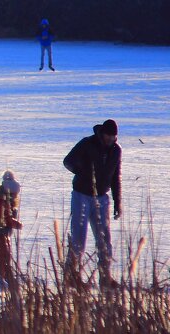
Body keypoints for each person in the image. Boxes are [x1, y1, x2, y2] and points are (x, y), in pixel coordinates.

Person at [63, 119, 122, 287]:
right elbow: (68, 161)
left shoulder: (116, 151)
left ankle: (105, 277)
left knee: (104, 240)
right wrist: (82, 172)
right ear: (102, 133)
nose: (111, 140)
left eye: (114, 137)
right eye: (108, 136)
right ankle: (70, 277)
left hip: (102, 199)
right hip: (81, 196)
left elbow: (116, 177)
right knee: (78, 239)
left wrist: (118, 202)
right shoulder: (87, 143)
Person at [0, 171, 23, 287]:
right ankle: (0, 277)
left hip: (0, 232)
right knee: (2, 255)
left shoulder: (6, 200)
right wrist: (17, 224)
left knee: (3, 255)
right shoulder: (3, 202)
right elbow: (6, 218)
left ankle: (4, 276)